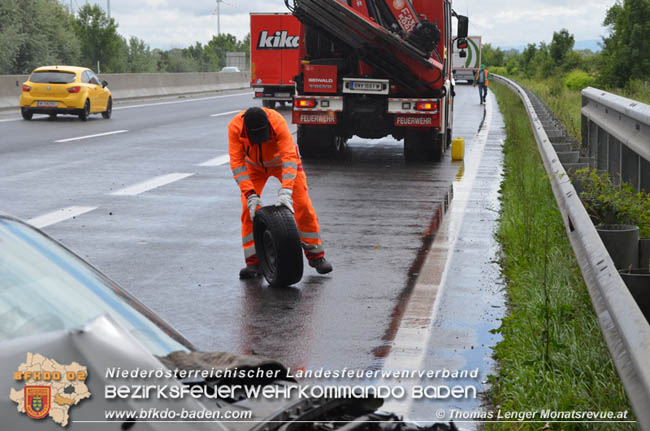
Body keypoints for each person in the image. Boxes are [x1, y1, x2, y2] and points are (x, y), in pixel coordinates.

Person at [228, 107, 333, 279]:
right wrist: (250, 195)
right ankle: (254, 263)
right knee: (248, 211)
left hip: (281, 163)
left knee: (303, 206)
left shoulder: (277, 122)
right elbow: (237, 164)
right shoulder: (235, 127)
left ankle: (316, 256)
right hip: (254, 167)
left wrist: (286, 191)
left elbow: (289, 158)